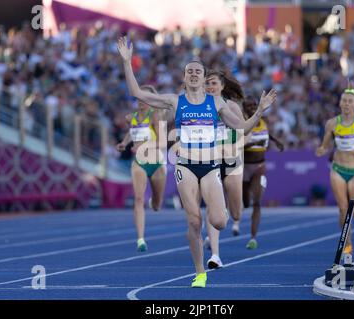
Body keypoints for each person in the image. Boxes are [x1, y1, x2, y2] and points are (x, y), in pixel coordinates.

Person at [117, 36, 277, 287]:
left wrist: (259, 111)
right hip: (186, 166)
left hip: (211, 167)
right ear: (184, 77)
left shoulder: (216, 102)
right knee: (194, 221)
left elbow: (243, 129)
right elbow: (136, 92)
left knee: (220, 221)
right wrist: (127, 62)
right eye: (189, 71)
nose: (193, 74)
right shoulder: (174, 100)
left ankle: (219, 214)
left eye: (197, 72)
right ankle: (200, 272)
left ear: (203, 79)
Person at [316, 85, 354, 256]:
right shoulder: (332, 124)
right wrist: (321, 150)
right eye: (344, 101)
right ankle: (347, 245)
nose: (346, 104)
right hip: (337, 170)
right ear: (340, 103)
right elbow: (325, 145)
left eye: (350, 101)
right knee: (343, 209)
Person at [202, 70, 246, 269]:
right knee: (212, 208)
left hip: (232, 161)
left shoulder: (231, 106)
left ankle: (229, 214)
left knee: (236, 212)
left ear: (222, 86)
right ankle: (215, 255)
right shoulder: (200, 107)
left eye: (213, 83)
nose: (210, 87)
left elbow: (243, 129)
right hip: (210, 161)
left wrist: (235, 148)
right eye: (207, 84)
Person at [116, 85, 167, 252]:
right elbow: (132, 133)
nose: (142, 102)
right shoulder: (133, 117)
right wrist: (123, 143)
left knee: (157, 206)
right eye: (139, 98)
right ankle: (140, 239)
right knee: (138, 199)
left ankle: (155, 201)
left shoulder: (156, 116)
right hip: (139, 163)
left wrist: (144, 147)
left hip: (156, 163)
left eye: (145, 99)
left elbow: (162, 142)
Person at [242, 96, 284, 249]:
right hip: (244, 167)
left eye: (254, 105)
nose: (252, 108)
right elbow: (237, 144)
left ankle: (253, 237)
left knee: (257, 202)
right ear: (244, 109)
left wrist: (275, 140)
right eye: (249, 106)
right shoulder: (242, 124)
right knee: (245, 202)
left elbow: (265, 134)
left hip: (260, 166)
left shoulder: (263, 121)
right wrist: (254, 143)